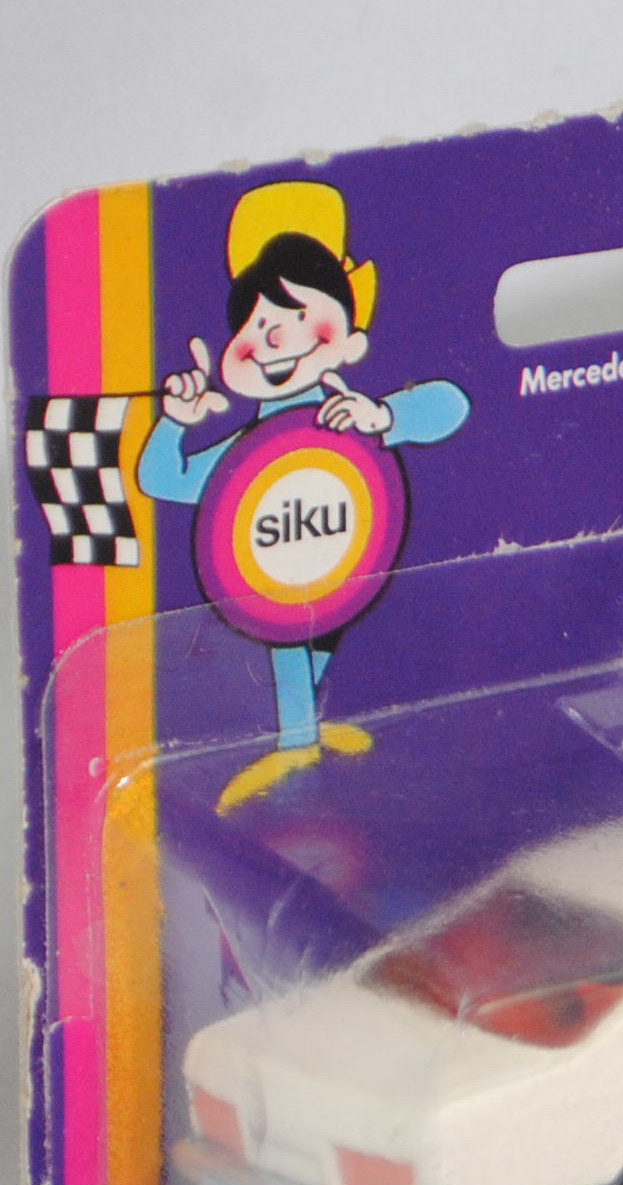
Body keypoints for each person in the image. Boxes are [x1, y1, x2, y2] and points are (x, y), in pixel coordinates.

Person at [138, 182, 468, 812]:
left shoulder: (351, 417)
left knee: (322, 638)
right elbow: (163, 481)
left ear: (350, 342)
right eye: (259, 325)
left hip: (353, 575)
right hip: (275, 584)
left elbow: (449, 405)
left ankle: (305, 734)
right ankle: (297, 744)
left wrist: (384, 416)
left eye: (295, 321)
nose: (274, 339)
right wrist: (174, 421)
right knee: (287, 636)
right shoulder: (246, 453)